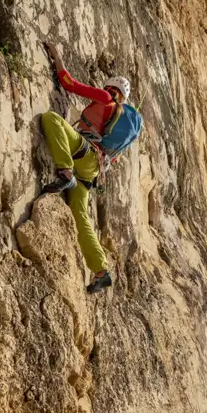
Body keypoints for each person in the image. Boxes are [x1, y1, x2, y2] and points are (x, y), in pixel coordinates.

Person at [41, 42, 133, 294]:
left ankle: (65, 172)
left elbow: (69, 83)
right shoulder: (120, 122)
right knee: (80, 215)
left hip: (83, 155)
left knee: (51, 119)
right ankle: (101, 271)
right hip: (94, 169)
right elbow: (111, 157)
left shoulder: (106, 98)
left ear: (111, 88)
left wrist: (57, 56)